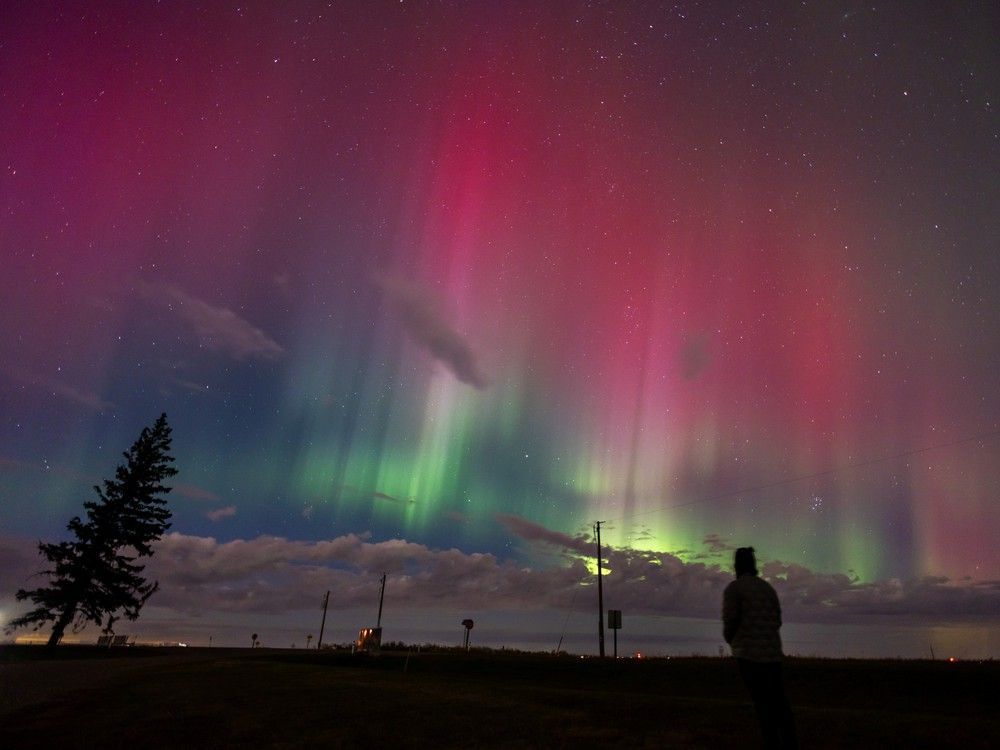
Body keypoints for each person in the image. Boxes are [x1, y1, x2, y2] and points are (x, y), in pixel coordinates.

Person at [723, 547, 798, 749]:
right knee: (779, 703)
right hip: (772, 654)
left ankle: (772, 743)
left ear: (737, 565)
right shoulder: (768, 589)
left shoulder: (734, 589)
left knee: (762, 705)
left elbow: (730, 620)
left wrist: (731, 639)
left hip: (748, 654)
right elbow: (777, 620)